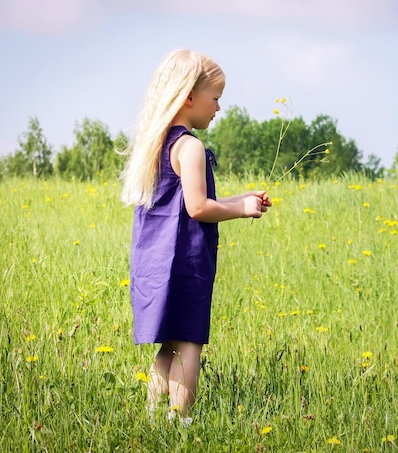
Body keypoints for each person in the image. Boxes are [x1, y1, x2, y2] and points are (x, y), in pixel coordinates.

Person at [120, 49, 271, 426]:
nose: (219, 107)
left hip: (155, 265)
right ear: (189, 97)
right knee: (189, 344)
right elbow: (199, 208)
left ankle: (155, 420)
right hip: (185, 264)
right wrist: (242, 210)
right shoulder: (191, 147)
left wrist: (242, 198)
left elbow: (195, 200)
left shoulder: (156, 145)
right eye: (216, 97)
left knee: (167, 346)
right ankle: (180, 423)